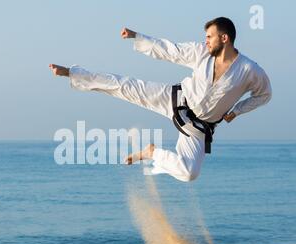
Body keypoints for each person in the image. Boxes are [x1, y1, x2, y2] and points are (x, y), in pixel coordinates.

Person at [49, 17, 272, 182]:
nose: (205, 41)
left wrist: (237, 110)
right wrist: (138, 37)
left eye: (209, 37)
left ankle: (151, 152)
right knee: (125, 86)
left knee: (189, 173)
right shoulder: (200, 53)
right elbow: (169, 50)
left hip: (198, 128)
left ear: (224, 38)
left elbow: (264, 94)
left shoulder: (249, 70)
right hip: (176, 100)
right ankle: (72, 73)